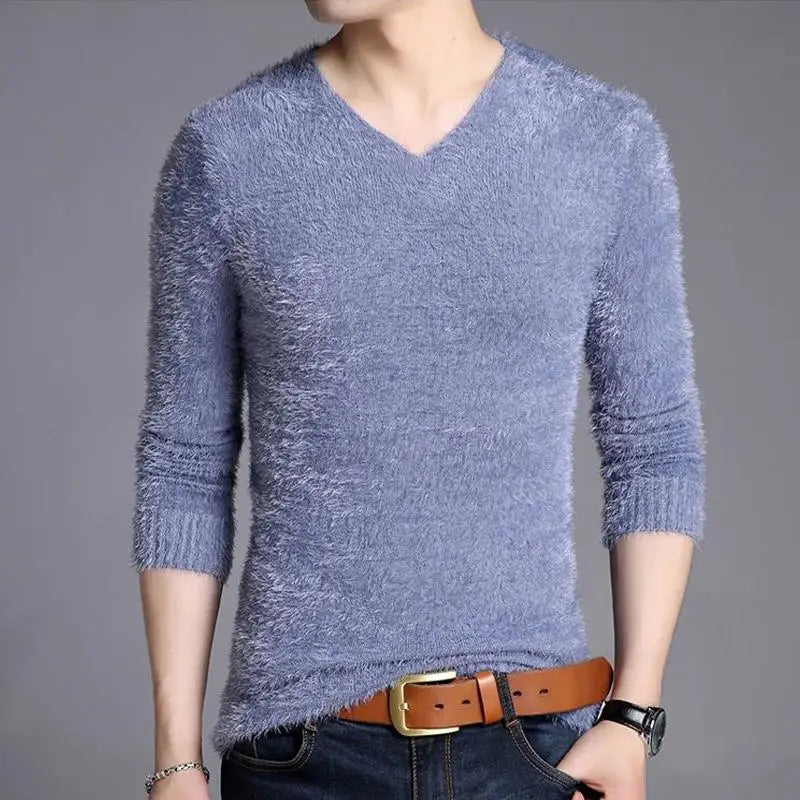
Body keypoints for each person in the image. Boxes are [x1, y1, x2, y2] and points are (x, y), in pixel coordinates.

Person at [131, 1, 706, 798]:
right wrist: (176, 759)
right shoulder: (228, 150)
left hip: (534, 748)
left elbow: (654, 446)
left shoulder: (603, 140)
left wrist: (633, 716)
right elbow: (183, 466)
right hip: (301, 759)